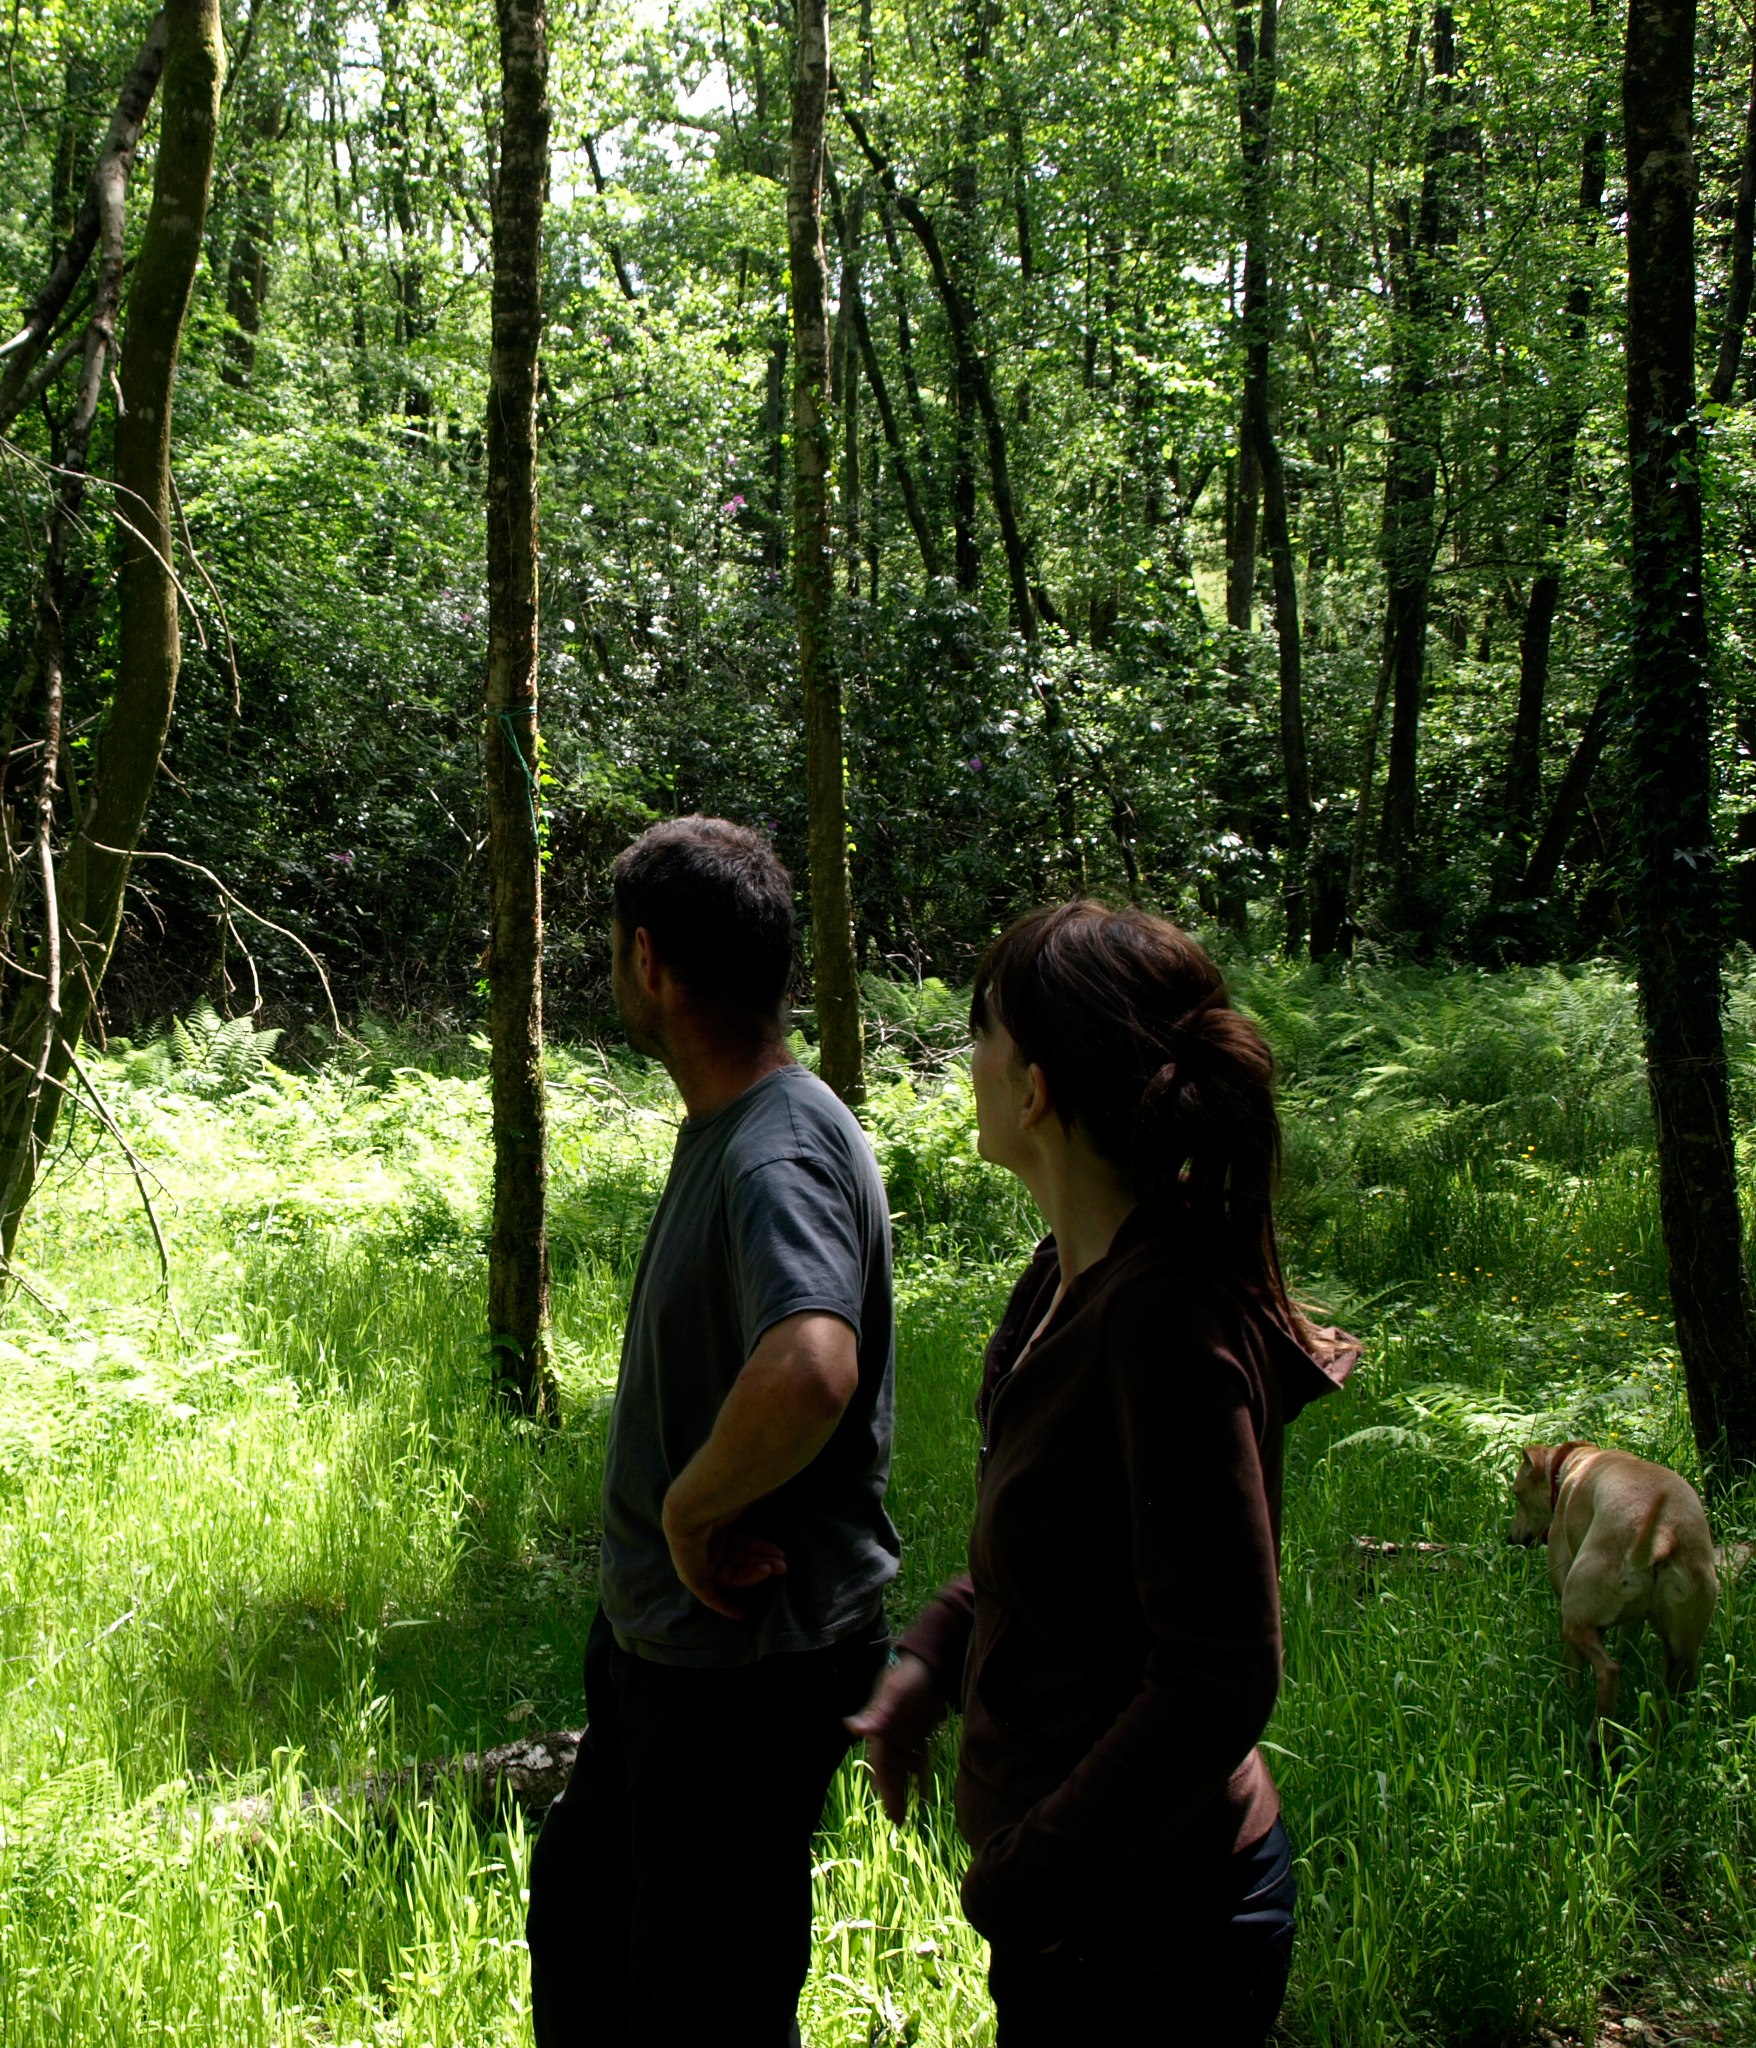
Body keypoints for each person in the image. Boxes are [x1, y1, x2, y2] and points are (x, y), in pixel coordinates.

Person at [848, 901, 1356, 2047]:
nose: (962, 1057)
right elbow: (1070, 1562)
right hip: (1088, 1912)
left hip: (1154, 1930)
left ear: (1033, 1087)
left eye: (980, 1029)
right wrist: (933, 1657)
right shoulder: (1061, 1280)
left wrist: (1028, 1873)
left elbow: (1219, 1671)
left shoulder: (1164, 1319)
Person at [526, 816, 898, 2048]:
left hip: (738, 1668)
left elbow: (811, 1363)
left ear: (650, 962)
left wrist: (686, 1509)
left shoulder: (775, 1147)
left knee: (700, 2006)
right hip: (671, 1653)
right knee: (587, 1929)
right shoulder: (754, 1126)